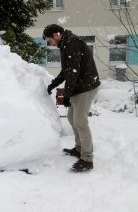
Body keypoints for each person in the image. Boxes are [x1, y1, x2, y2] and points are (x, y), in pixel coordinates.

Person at [43, 24, 100, 172]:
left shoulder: (72, 43)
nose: (51, 44)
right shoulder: (66, 44)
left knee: (80, 121)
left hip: (86, 87)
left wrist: (66, 95)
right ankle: (79, 148)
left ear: (56, 35)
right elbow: (67, 70)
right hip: (79, 86)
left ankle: (87, 159)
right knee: (71, 118)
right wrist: (53, 84)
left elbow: (74, 71)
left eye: (50, 40)